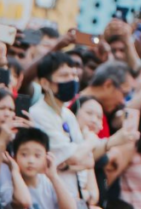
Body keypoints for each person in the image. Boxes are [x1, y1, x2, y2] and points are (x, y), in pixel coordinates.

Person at [29, 51, 95, 200]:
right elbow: (75, 156)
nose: (72, 80)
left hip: (75, 195)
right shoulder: (38, 114)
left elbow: (89, 160)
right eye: (64, 76)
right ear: (45, 83)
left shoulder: (68, 114)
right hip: (51, 197)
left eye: (74, 75)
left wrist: (67, 165)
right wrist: (91, 140)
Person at [8, 127, 77, 209]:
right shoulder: (11, 184)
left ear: (46, 157)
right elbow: (24, 202)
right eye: (24, 154)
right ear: (14, 157)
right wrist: (14, 171)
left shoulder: (48, 183)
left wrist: (53, 176)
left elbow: (70, 207)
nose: (31, 161)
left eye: (37, 155)